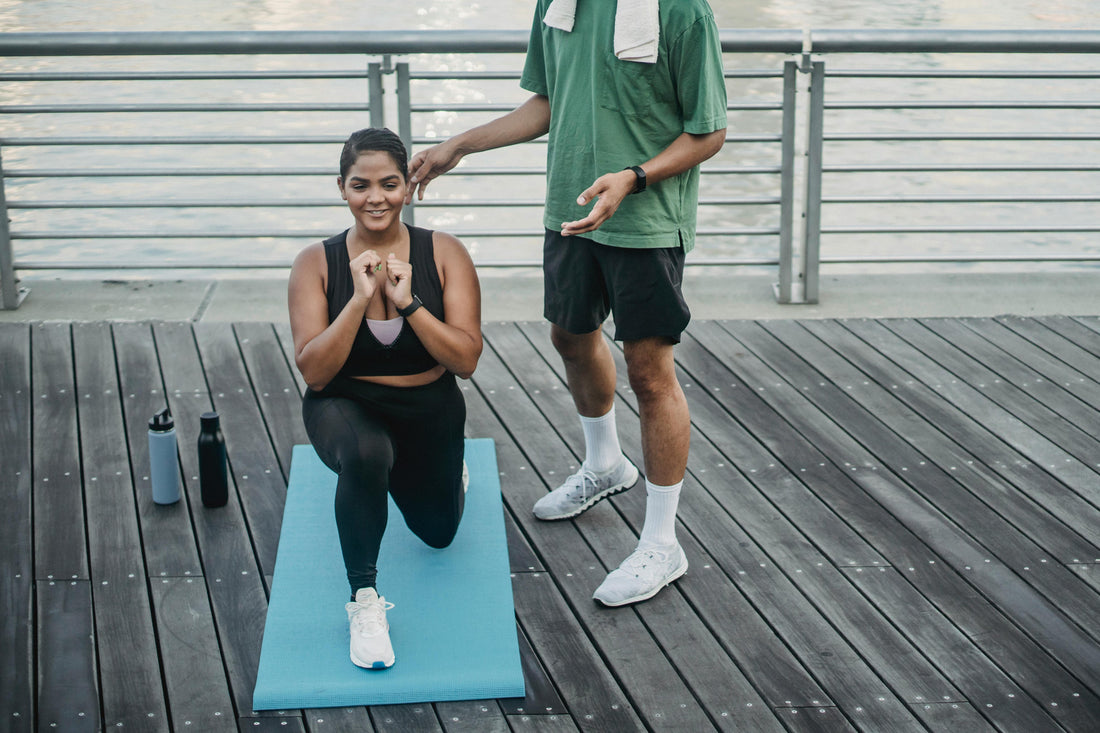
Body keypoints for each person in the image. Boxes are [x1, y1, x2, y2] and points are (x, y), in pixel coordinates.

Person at [407, 0, 727, 606]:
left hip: (647, 220)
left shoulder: (683, 11)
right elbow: (547, 103)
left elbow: (708, 131)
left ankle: (662, 543)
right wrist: (461, 144)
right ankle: (606, 465)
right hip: (571, 210)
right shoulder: (556, 3)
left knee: (650, 373)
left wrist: (632, 176)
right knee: (570, 337)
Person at [288, 127, 483, 669]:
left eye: (389, 184)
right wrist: (357, 301)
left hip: (430, 407)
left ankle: (445, 473)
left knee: (439, 534)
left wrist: (410, 302)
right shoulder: (314, 263)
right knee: (368, 454)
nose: (376, 197)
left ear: (408, 186)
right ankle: (365, 602)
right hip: (346, 404)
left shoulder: (444, 253)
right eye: (361, 185)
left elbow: (464, 361)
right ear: (342, 189)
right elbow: (316, 373)